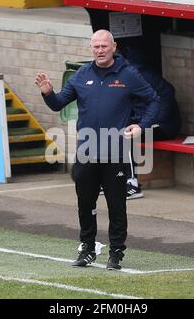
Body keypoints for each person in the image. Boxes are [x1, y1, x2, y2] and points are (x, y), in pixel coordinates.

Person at [34, 30, 160, 269]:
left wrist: (142, 126)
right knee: (85, 204)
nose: (100, 50)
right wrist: (48, 92)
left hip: (116, 152)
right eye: (96, 47)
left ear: (114, 47)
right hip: (87, 152)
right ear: (91, 48)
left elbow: (153, 100)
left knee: (116, 205)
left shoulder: (128, 74)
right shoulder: (82, 75)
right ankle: (88, 249)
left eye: (104, 46)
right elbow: (58, 103)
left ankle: (116, 253)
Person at [125, 65, 181, 199]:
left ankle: (132, 185)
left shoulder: (141, 76)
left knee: (127, 136)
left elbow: (167, 93)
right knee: (109, 131)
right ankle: (110, 180)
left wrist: (148, 123)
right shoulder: (114, 80)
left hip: (163, 125)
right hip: (141, 122)